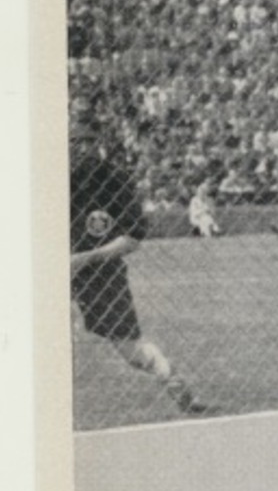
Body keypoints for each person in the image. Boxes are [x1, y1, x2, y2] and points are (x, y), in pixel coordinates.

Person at [70, 121, 207, 416]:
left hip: (100, 273)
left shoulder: (115, 180)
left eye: (88, 142)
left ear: (99, 144)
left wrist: (86, 257)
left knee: (131, 351)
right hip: (50, 273)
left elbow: (132, 237)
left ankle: (175, 384)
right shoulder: (48, 176)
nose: (82, 149)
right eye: (74, 142)